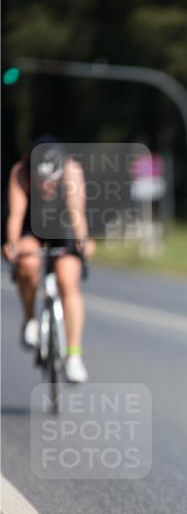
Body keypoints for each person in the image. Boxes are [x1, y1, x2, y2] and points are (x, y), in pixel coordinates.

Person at [3, 136, 93, 382]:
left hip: (63, 223)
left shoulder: (71, 169)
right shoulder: (20, 172)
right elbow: (16, 215)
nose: (48, 186)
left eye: (53, 181)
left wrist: (83, 243)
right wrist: (12, 245)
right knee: (29, 261)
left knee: (67, 280)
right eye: (42, 181)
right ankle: (30, 319)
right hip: (32, 224)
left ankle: (73, 355)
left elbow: (76, 212)